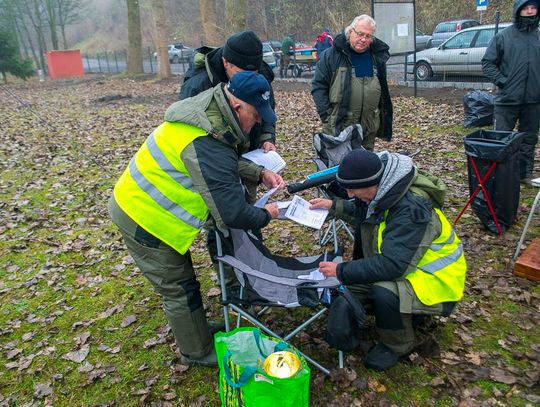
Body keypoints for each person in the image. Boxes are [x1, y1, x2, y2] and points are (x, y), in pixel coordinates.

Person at [109, 72, 284, 367]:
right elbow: (231, 213)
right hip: (143, 215)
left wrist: (258, 172)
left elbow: (219, 162)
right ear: (238, 106)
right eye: (255, 115)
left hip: (147, 207)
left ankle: (198, 333)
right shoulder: (207, 138)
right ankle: (196, 351)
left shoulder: (212, 115)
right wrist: (266, 214)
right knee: (179, 287)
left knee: (185, 283)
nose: (257, 123)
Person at [309, 149, 467, 371]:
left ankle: (398, 344)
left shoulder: (410, 208)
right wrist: (333, 206)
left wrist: (341, 270)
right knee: (347, 285)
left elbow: (392, 266)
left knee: (383, 290)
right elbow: (364, 208)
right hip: (409, 267)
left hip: (436, 281)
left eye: (354, 189)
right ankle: (393, 316)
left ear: (373, 183)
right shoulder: (385, 188)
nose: (351, 195)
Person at [178, 30, 277, 156]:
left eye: (253, 74)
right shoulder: (197, 85)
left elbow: (266, 107)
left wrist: (267, 137)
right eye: (241, 74)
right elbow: (186, 134)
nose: (249, 80)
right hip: (212, 156)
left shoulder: (261, 76)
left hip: (252, 155)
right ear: (226, 62)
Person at [311, 15, 393, 151]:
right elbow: (318, 86)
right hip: (340, 126)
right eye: (360, 34)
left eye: (368, 36)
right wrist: (327, 116)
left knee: (365, 167)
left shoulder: (377, 57)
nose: (363, 39)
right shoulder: (331, 56)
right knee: (341, 167)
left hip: (369, 127)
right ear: (350, 32)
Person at [482, 0, 540, 186]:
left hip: (533, 99)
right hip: (507, 99)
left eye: (533, 7)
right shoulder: (504, 36)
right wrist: (503, 81)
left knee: (529, 139)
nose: (530, 11)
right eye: (526, 8)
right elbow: (488, 63)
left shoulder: (538, 37)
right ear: (518, 11)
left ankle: (524, 174)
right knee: (501, 139)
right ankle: (499, 174)